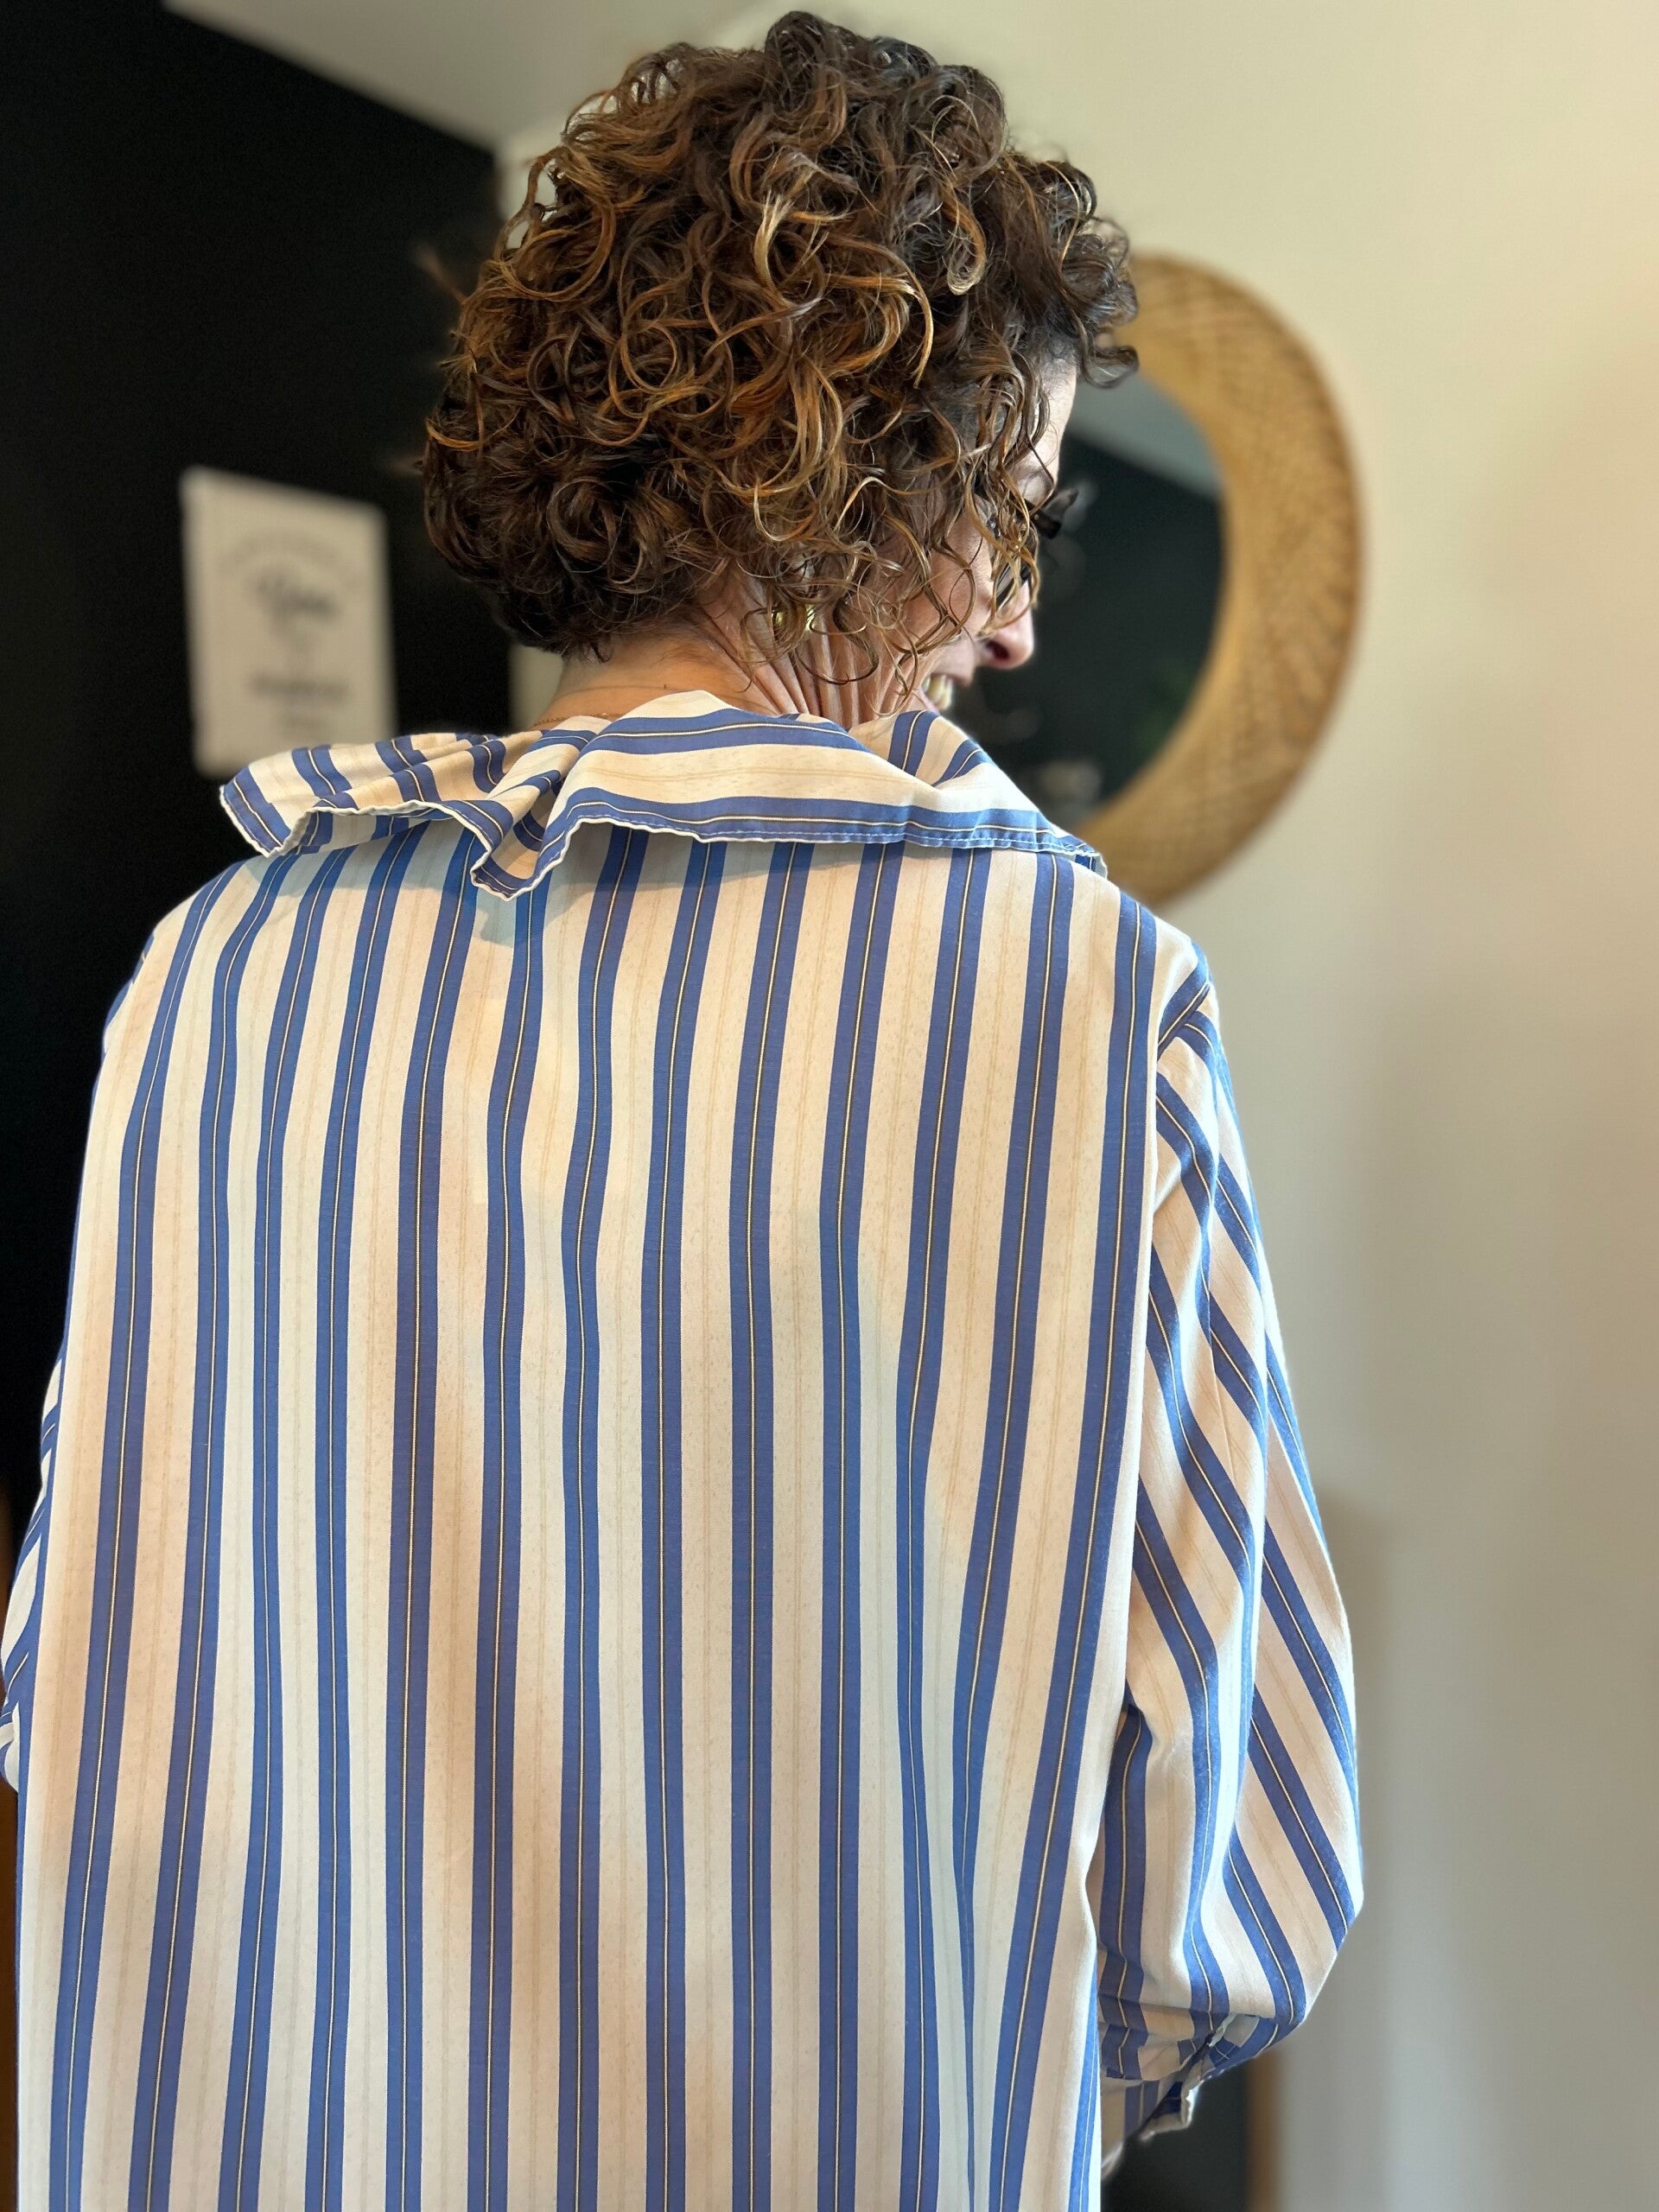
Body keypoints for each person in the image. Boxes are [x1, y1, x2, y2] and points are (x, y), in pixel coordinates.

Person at [0, 13, 1359, 2205]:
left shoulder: (212, 980)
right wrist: (969, 2075)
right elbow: (1246, 1856)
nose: (1017, 627)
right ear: (847, 479)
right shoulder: (1081, 1004)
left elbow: (66, 1672)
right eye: (1008, 523)